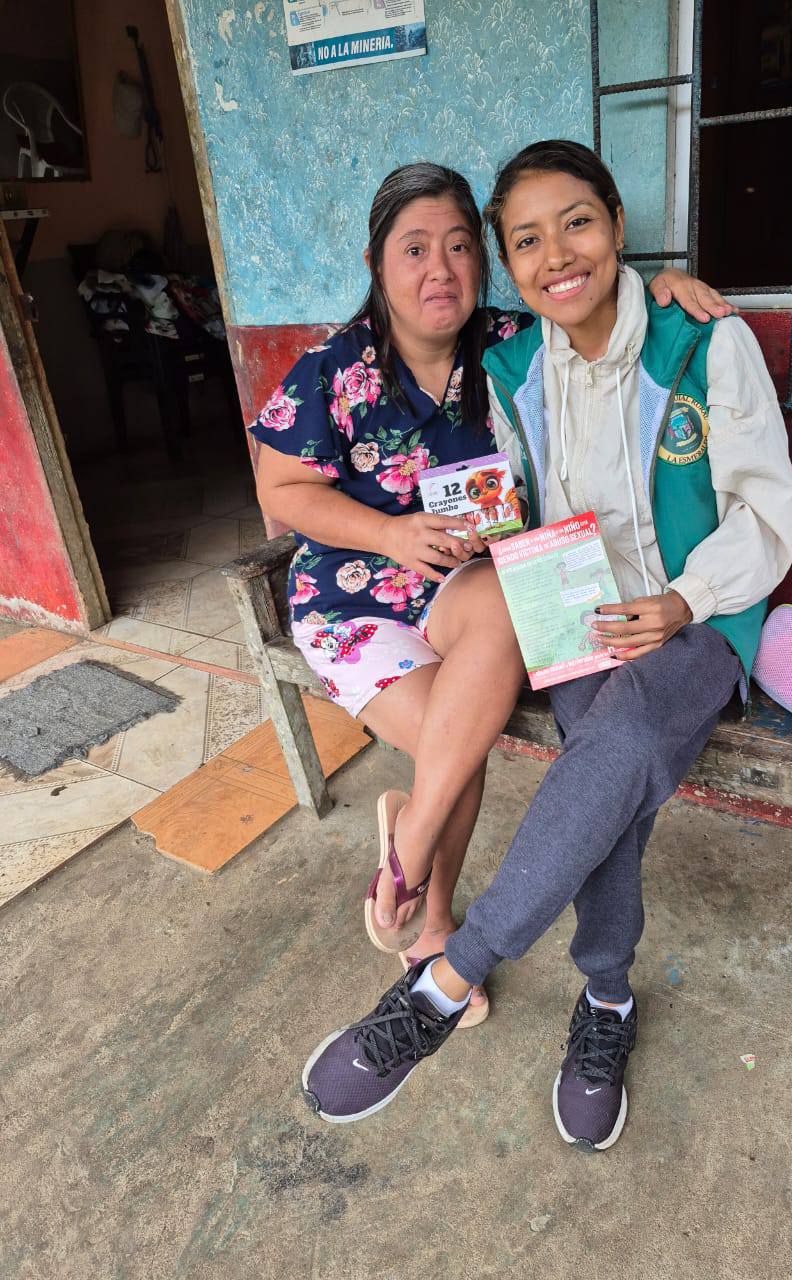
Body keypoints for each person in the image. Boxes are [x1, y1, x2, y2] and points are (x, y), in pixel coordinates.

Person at [300, 141, 792, 1149]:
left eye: (577, 223)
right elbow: (518, 498)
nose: (556, 254)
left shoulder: (705, 342)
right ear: (511, 266)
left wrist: (686, 601)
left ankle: (445, 984)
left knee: (620, 740)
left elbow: (766, 512)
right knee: (606, 773)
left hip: (701, 617)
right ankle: (606, 996)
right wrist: (485, 534)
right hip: (574, 612)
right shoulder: (512, 363)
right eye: (526, 241)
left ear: (617, 223)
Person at [252, 160, 733, 1029]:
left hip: (467, 588)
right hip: (357, 598)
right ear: (376, 264)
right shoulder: (335, 370)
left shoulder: (511, 343)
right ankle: (434, 919)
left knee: (498, 631)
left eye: (459, 247)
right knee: (459, 736)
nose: (440, 270)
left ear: (483, 262)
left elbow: (594, 302)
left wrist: (661, 288)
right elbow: (279, 489)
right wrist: (391, 535)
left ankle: (410, 848)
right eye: (414, 250)